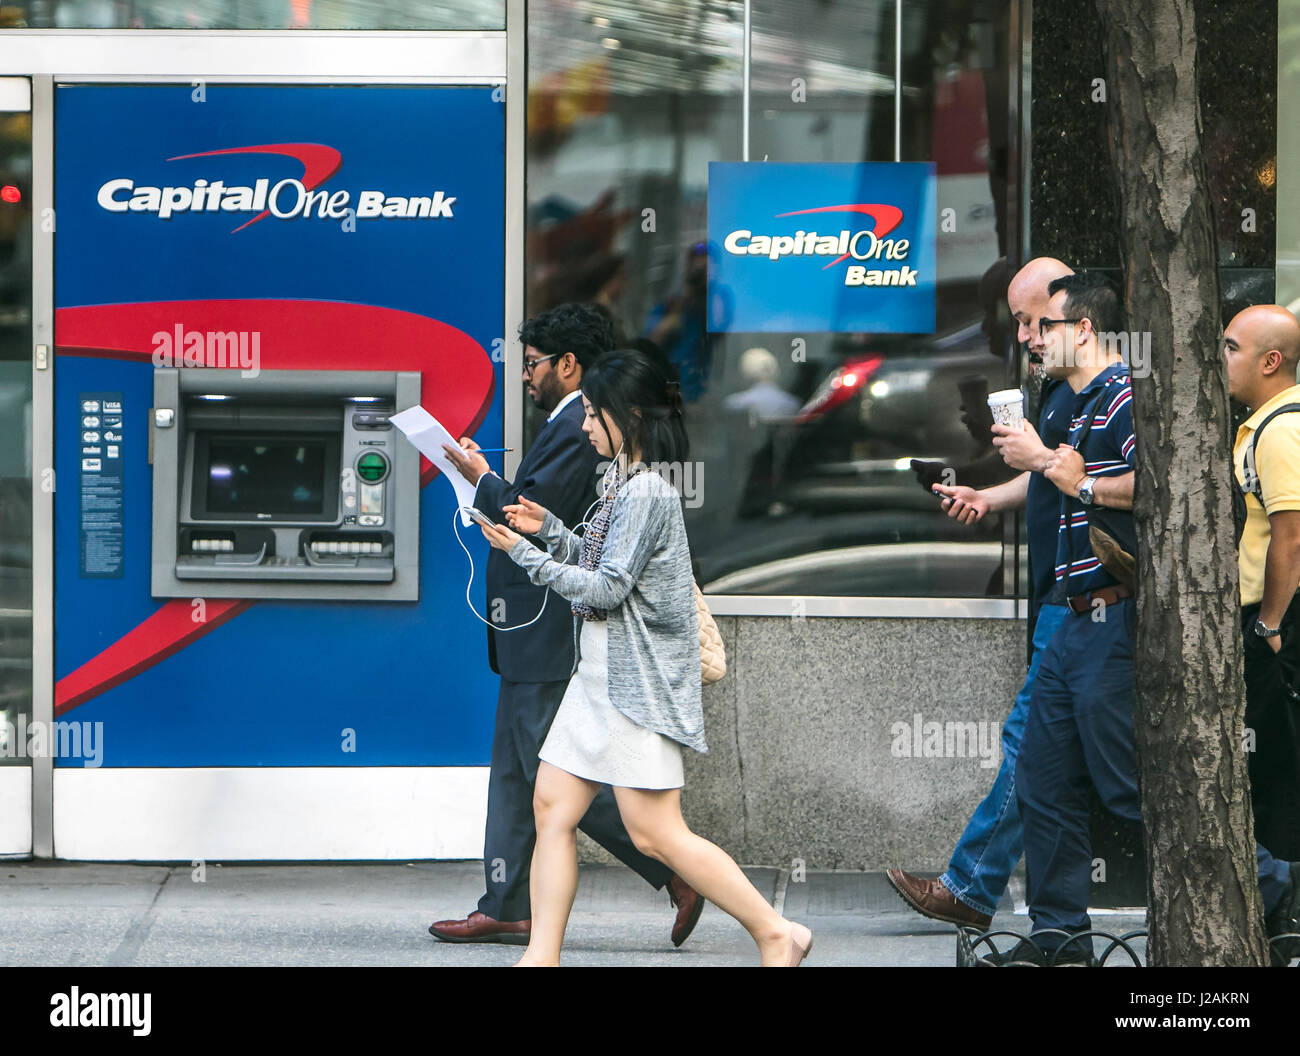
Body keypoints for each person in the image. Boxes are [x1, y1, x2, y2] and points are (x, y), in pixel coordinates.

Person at [476, 349, 813, 966]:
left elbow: (607, 588)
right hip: (598, 678)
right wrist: (548, 528)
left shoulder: (648, 491)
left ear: (625, 417)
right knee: (552, 807)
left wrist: (525, 555)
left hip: (635, 687)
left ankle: (775, 932)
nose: (582, 426)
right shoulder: (620, 483)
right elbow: (598, 561)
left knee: (656, 834)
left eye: (592, 415)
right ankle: (540, 958)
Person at [428, 304, 703, 948]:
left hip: (550, 621)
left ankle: (676, 871)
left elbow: (541, 516)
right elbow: (551, 520)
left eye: (532, 365)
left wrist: (480, 480)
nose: (525, 376)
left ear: (568, 365)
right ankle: (505, 903)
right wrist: (491, 485)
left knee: (551, 771)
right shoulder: (574, 424)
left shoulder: (587, 431)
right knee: (519, 769)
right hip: (532, 624)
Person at [887, 256, 1076, 930]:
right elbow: (1049, 477)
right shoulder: (1061, 386)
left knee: (1053, 753)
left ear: (1076, 319)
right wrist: (988, 495)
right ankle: (1058, 927)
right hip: (1067, 598)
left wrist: (1036, 460)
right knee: (1056, 765)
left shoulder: (1104, 391)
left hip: (1085, 603)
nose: (1024, 336)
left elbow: (1090, 480)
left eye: (1034, 322)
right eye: (1020, 322)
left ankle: (974, 889)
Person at [1224, 304, 1300, 959]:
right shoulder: (1262, 426)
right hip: (1271, 619)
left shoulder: (1280, 430)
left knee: (1278, 769)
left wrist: (1269, 627)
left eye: (1231, 347)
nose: (1222, 359)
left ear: (1269, 361)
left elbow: (1291, 538)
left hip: (1280, 622)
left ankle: (1287, 922)